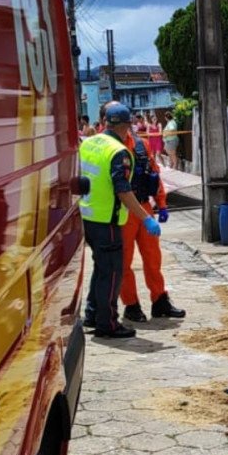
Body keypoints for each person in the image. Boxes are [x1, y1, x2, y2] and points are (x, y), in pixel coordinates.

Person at [79, 102, 162, 339]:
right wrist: (146, 218)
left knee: (100, 268)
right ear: (127, 126)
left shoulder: (89, 144)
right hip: (108, 220)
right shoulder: (118, 152)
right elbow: (123, 191)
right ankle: (108, 323)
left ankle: (93, 314)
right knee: (112, 273)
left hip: (88, 217)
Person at [119, 118, 186, 323]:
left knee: (153, 258)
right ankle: (131, 305)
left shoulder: (141, 145)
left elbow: (153, 175)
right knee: (124, 262)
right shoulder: (107, 146)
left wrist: (162, 203)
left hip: (144, 207)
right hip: (121, 211)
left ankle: (159, 300)